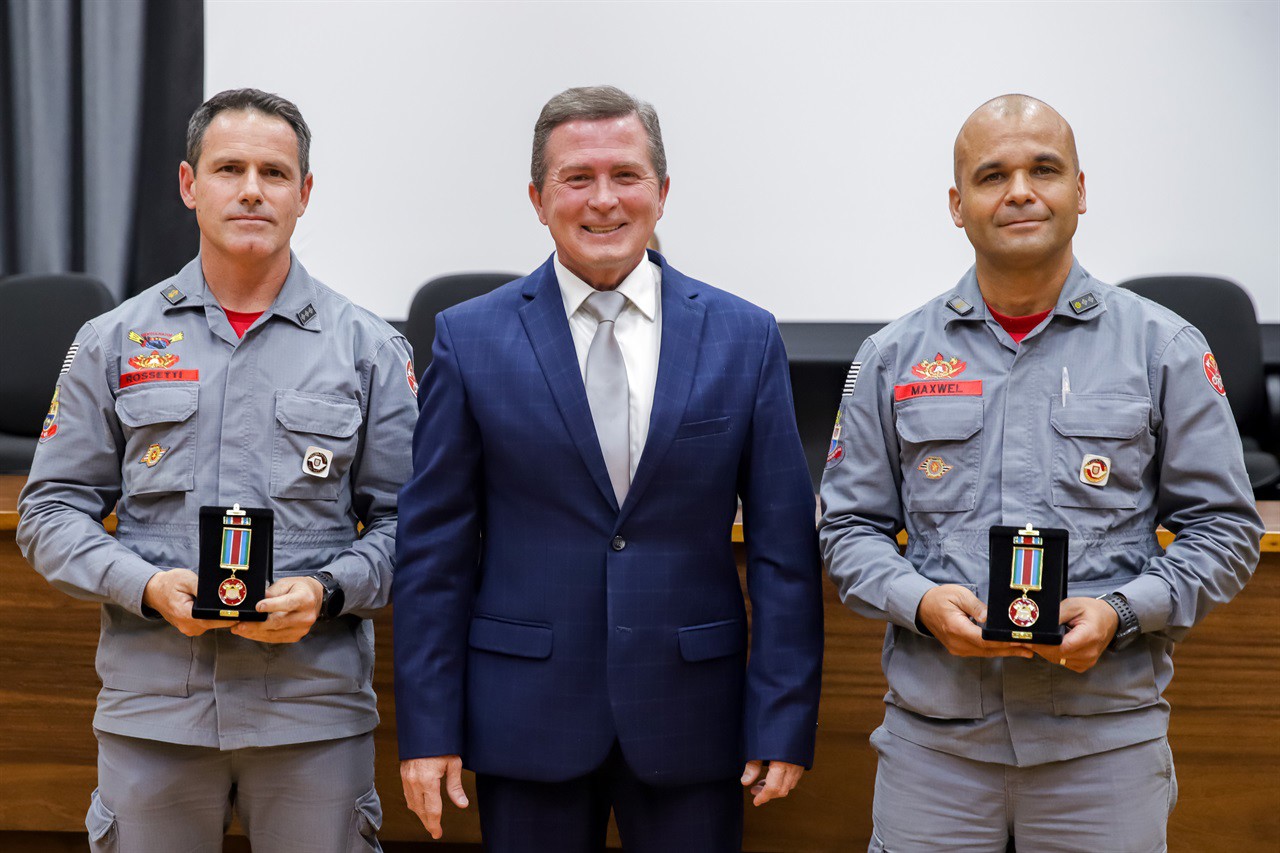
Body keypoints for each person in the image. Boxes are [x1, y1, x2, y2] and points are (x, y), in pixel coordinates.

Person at [819, 93, 1264, 852]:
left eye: (1044, 169)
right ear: (958, 205)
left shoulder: (1164, 348)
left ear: (1081, 191)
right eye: (993, 175)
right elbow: (847, 528)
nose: (1020, 190)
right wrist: (921, 601)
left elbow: (1225, 530)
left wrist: (1124, 610)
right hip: (937, 749)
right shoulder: (892, 357)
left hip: (1104, 745)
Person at [394, 85, 824, 851]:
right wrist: (428, 728)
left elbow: (783, 552)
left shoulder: (744, 336)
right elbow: (434, 555)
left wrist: (784, 717)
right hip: (525, 717)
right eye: (576, 178)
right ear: (537, 197)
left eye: (626, 175)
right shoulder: (470, 338)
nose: (603, 201)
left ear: (662, 191)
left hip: (695, 717)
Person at [17, 88, 417, 851]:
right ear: (187, 184)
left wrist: (329, 592)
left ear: (305, 193)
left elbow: (413, 526)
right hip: (153, 711)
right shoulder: (114, 341)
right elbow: (50, 512)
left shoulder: (368, 349)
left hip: (311, 712)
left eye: (275, 171)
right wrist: (145, 585)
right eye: (229, 167)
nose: (252, 189)